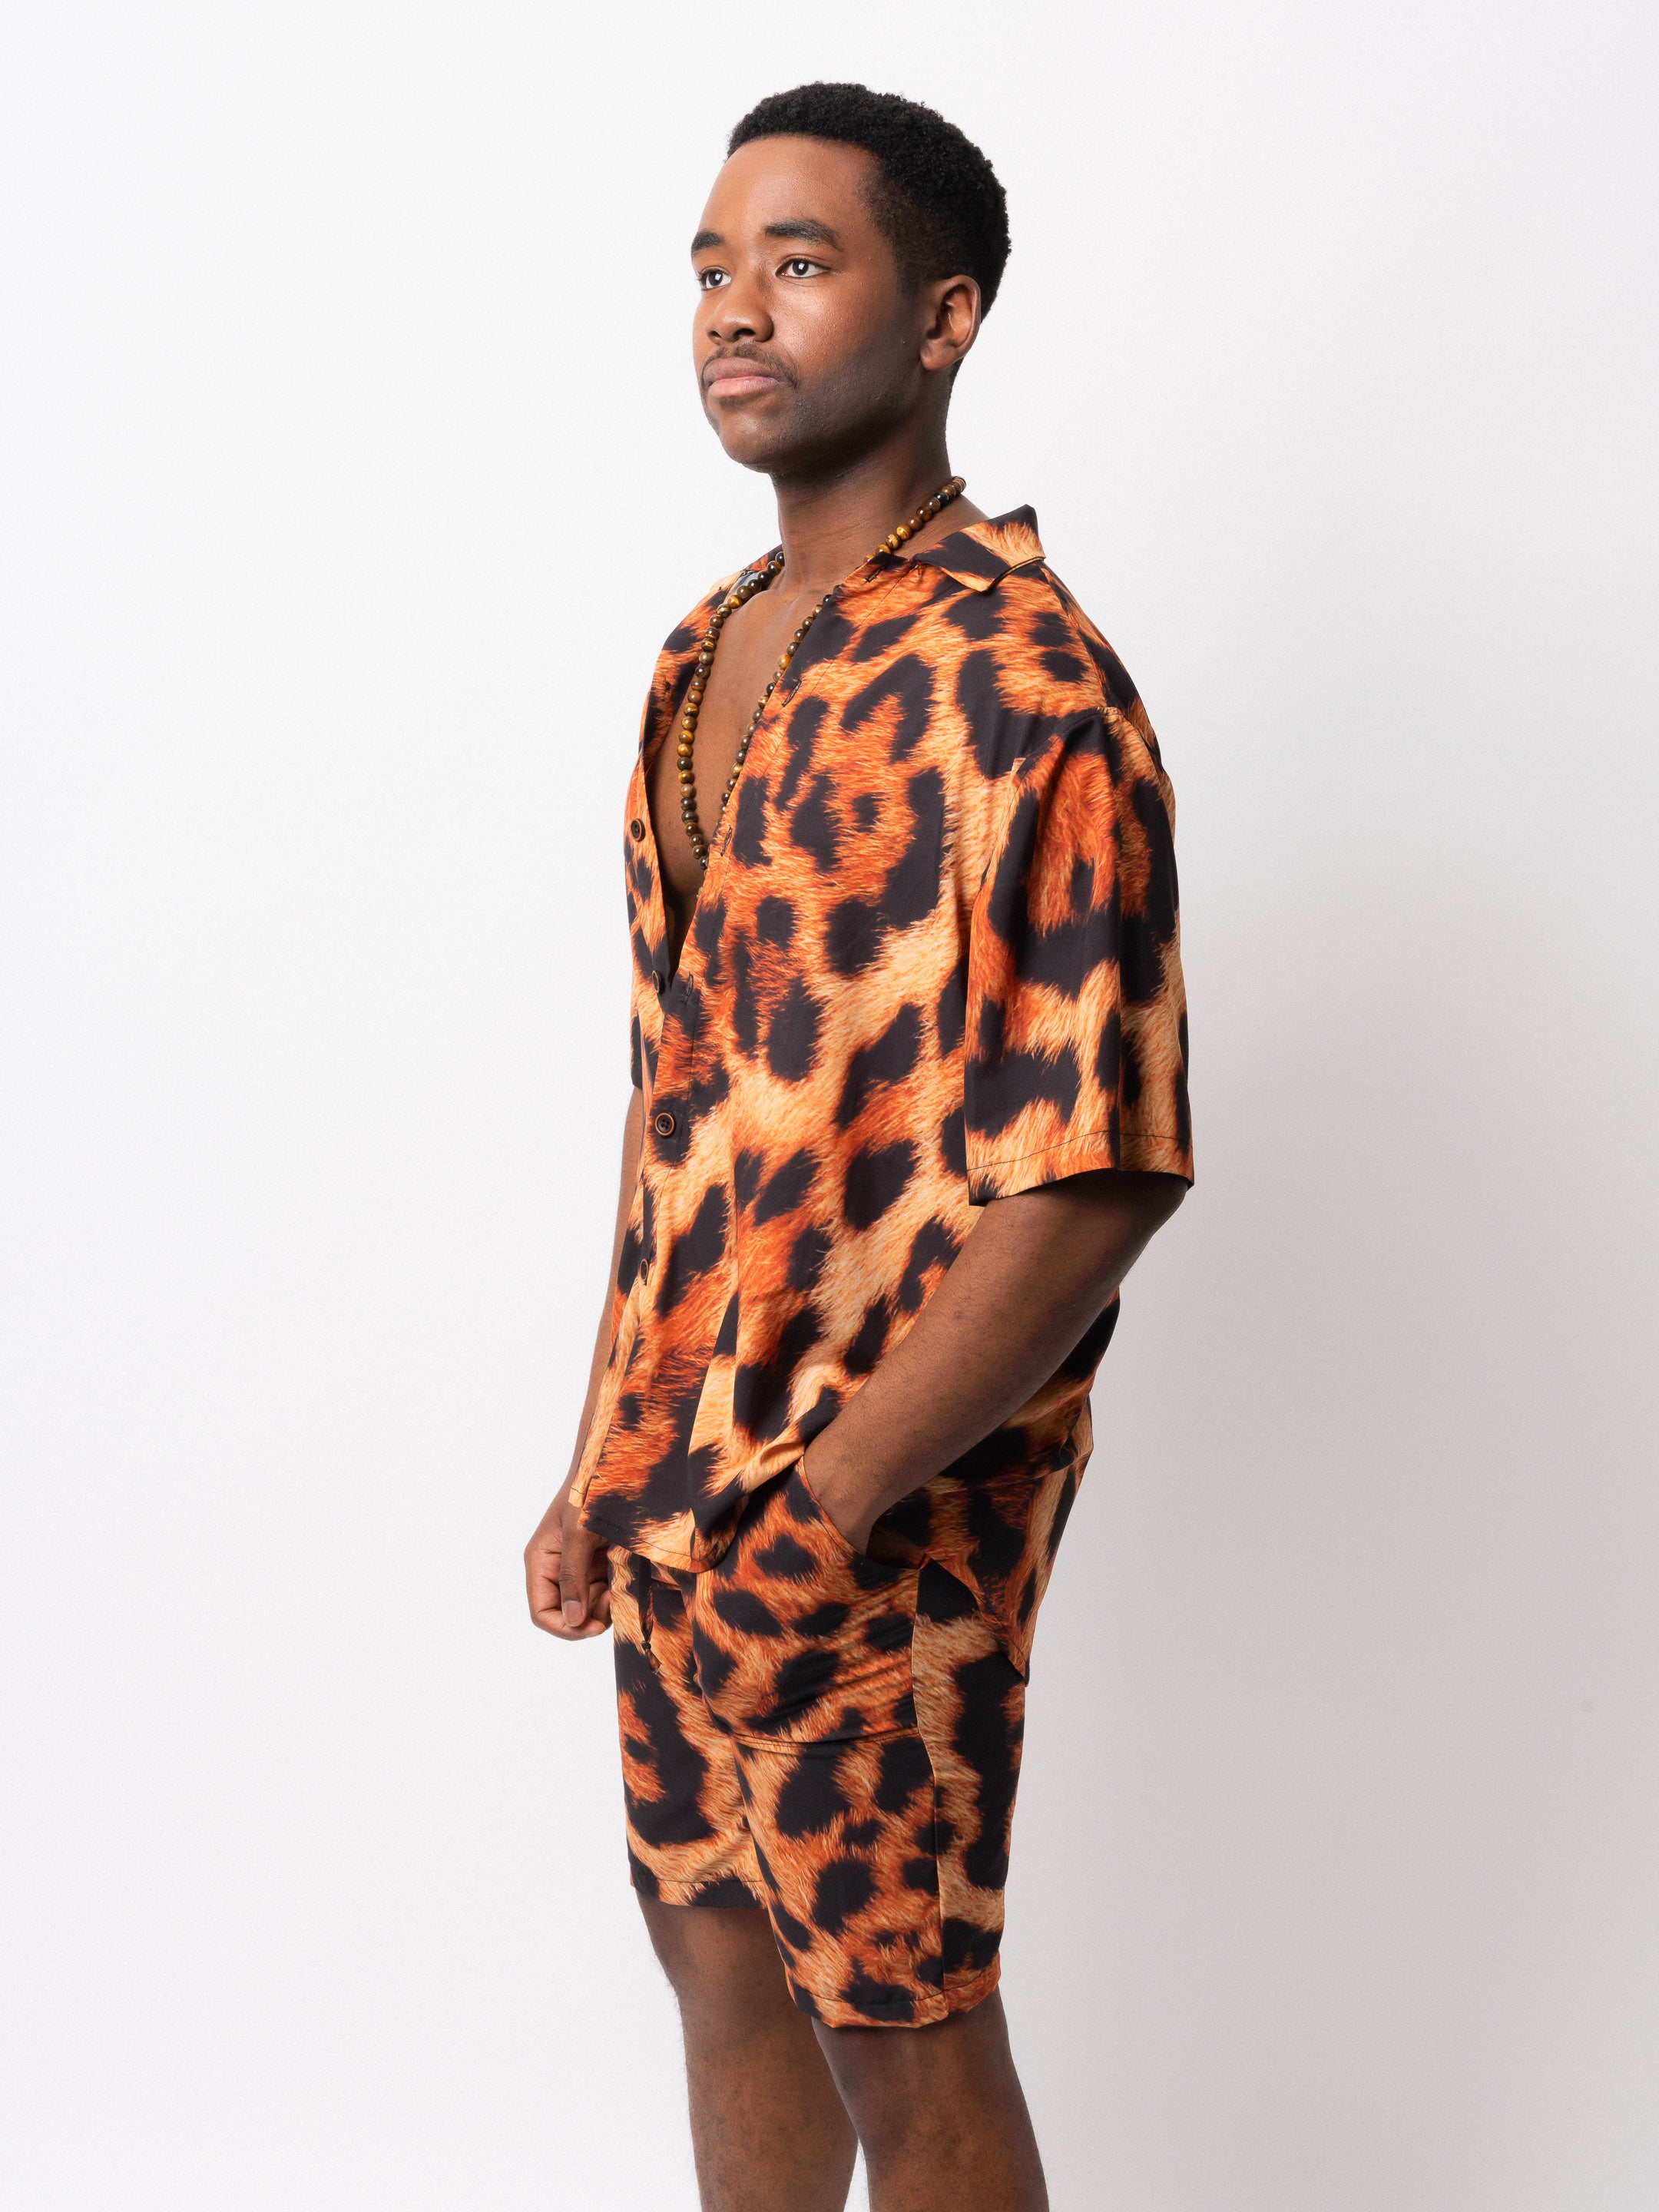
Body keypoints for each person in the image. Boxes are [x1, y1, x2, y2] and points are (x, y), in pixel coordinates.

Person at [525, 81, 1192, 2212]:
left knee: (903, 2023)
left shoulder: (1029, 683)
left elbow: (1099, 1171)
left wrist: (834, 1501)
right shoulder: (701, 658)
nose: (735, 309)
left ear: (944, 316)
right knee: (717, 1963)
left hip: (882, 1500)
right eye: (713, 268)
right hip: (678, 1482)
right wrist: (598, 1450)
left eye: (800, 263)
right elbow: (679, 1097)